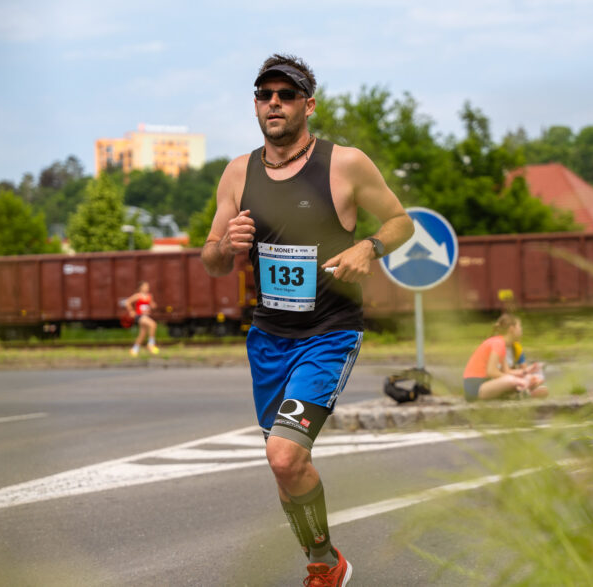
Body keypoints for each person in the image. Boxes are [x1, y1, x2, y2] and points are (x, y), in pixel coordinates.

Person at [200, 53, 414, 586]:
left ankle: (326, 565)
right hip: (267, 339)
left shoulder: (345, 164)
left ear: (308, 105)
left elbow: (401, 222)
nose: (274, 103)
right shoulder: (238, 172)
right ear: (255, 105)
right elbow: (212, 259)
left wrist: (368, 247)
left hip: (328, 335)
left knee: (283, 456)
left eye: (286, 94)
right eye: (264, 94)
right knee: (285, 468)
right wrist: (226, 245)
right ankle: (323, 561)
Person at [462, 313, 548, 401]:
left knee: (524, 378)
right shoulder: (498, 343)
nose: (521, 329)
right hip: (475, 389)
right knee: (510, 380)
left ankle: (523, 390)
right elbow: (491, 372)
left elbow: (507, 371)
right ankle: (524, 391)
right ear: (512, 329)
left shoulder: (501, 344)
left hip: (486, 385)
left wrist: (526, 371)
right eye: (519, 326)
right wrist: (517, 380)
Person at [125, 281, 159, 356]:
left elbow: (151, 304)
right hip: (140, 316)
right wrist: (131, 311)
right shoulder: (138, 295)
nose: (147, 288)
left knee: (142, 334)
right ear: (141, 287)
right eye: (145, 286)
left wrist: (153, 305)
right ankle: (151, 344)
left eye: (147, 286)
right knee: (153, 324)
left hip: (146, 316)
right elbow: (127, 302)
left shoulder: (150, 296)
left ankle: (134, 349)